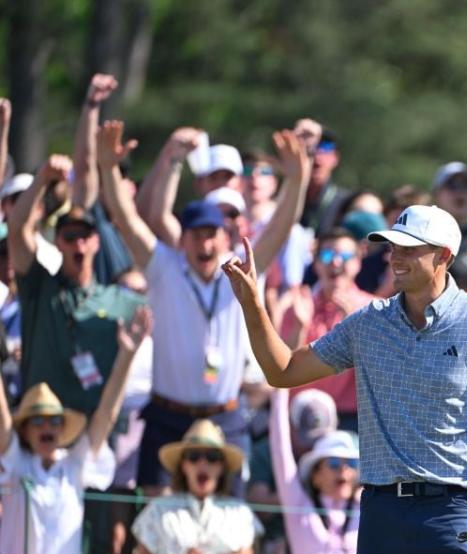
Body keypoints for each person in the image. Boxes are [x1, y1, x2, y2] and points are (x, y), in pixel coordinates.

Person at [222, 203, 467, 554]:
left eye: (408, 249)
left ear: (444, 257)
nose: (394, 257)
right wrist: (252, 304)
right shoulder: (367, 324)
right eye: (390, 248)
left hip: (456, 511)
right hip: (383, 513)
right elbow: (282, 371)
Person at [96, 120, 309, 493]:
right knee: (156, 512)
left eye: (212, 236)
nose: (205, 246)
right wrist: (108, 169)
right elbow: (127, 219)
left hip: (224, 416)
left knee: (232, 523)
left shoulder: (239, 270)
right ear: (184, 237)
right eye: (197, 236)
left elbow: (280, 227)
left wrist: (296, 179)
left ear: (224, 236)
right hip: (168, 415)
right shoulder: (164, 266)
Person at [0, 305, 150, 554]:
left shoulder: (73, 463)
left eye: (54, 420)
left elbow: (107, 416)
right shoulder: (15, 461)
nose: (47, 426)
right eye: (37, 419)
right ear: (25, 428)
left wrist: (126, 355)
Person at [8, 154, 144, 415]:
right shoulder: (39, 287)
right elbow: (17, 228)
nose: (78, 244)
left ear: (97, 242)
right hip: (41, 426)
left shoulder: (121, 301)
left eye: (85, 236)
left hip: (95, 432)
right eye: (70, 236)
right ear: (57, 242)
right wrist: (42, 178)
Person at [130, 419, 272, 554]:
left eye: (212, 457)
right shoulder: (158, 509)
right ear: (183, 465)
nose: (202, 464)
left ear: (222, 466)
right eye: (194, 457)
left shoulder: (239, 512)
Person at [268, 389, 363, 554]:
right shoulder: (299, 502)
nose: (343, 471)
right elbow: (279, 445)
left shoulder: (367, 505)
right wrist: (279, 386)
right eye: (333, 464)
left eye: (351, 464)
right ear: (316, 475)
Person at [278, 229, 376, 432]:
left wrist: (355, 330)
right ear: (315, 262)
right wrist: (299, 328)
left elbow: (379, 375)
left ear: (358, 262)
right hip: (301, 418)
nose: (336, 263)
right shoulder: (298, 307)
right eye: (327, 255)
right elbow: (283, 371)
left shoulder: (375, 309)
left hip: (352, 420)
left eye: (346, 256)